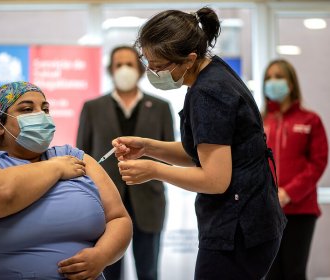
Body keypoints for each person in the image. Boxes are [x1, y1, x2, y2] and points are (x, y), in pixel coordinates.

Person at [112, 7, 287, 280]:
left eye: (158, 66)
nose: (151, 72)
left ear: (189, 59)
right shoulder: (212, 73)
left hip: (238, 229)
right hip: (251, 222)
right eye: (147, 62)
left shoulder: (209, 92)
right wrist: (147, 147)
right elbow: (202, 152)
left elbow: (215, 178)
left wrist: (153, 171)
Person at [0, 81, 132, 280]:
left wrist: (102, 256)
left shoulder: (74, 156)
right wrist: (55, 168)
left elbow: (118, 218)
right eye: (27, 109)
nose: (40, 116)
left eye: (45, 109)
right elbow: (1, 194)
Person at [76, 45, 174, 280]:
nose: (124, 69)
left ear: (140, 70)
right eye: (118, 65)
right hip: (104, 204)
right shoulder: (92, 108)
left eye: (129, 64)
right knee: (108, 271)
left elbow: (170, 155)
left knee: (148, 271)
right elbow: (83, 156)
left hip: (149, 202)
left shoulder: (160, 107)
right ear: (110, 69)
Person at [262, 59, 328, 280]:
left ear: (291, 83)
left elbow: (318, 163)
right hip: (267, 211)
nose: (273, 82)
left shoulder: (311, 120)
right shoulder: (259, 122)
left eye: (279, 77)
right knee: (270, 274)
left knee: (294, 273)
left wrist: (289, 192)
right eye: (269, 78)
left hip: (300, 211)